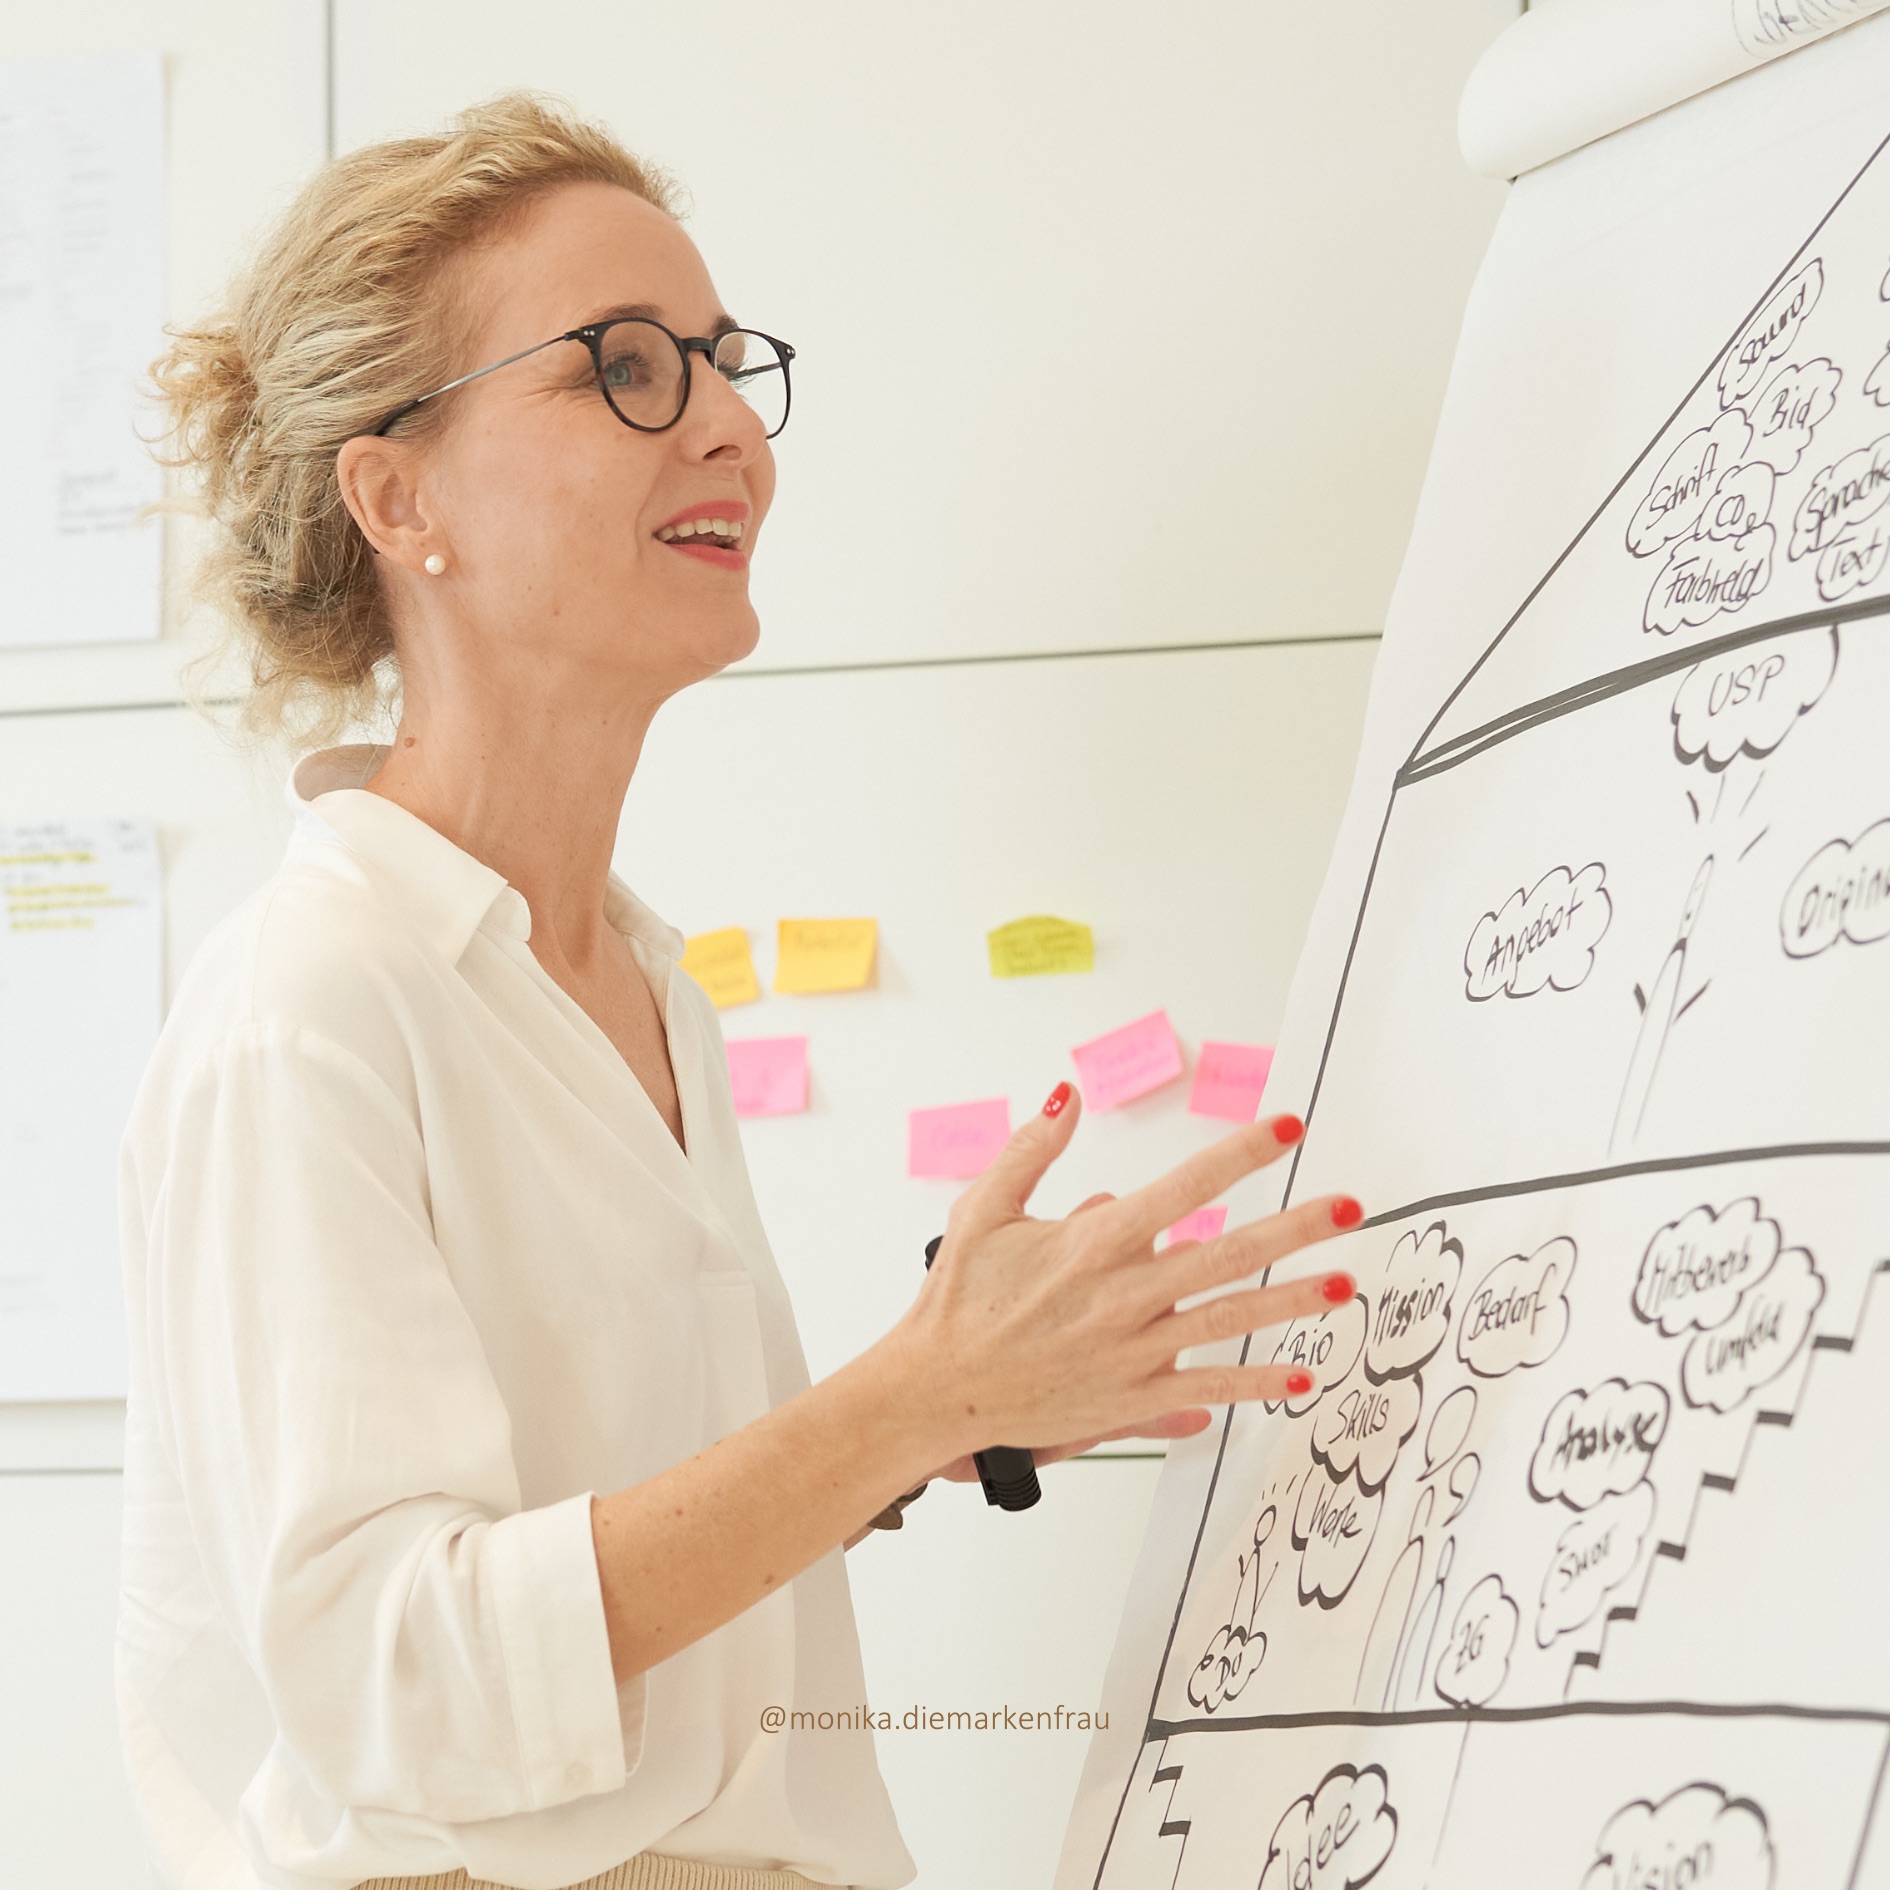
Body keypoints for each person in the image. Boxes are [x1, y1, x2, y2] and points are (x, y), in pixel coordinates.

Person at [118, 94, 1362, 1890]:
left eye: (718, 361)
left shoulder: (632, 975)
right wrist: (905, 1400)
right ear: (398, 499)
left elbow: (628, 1583)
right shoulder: (306, 1004)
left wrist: (969, 1405)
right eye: (620, 367)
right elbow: (403, 1683)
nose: (723, 428)